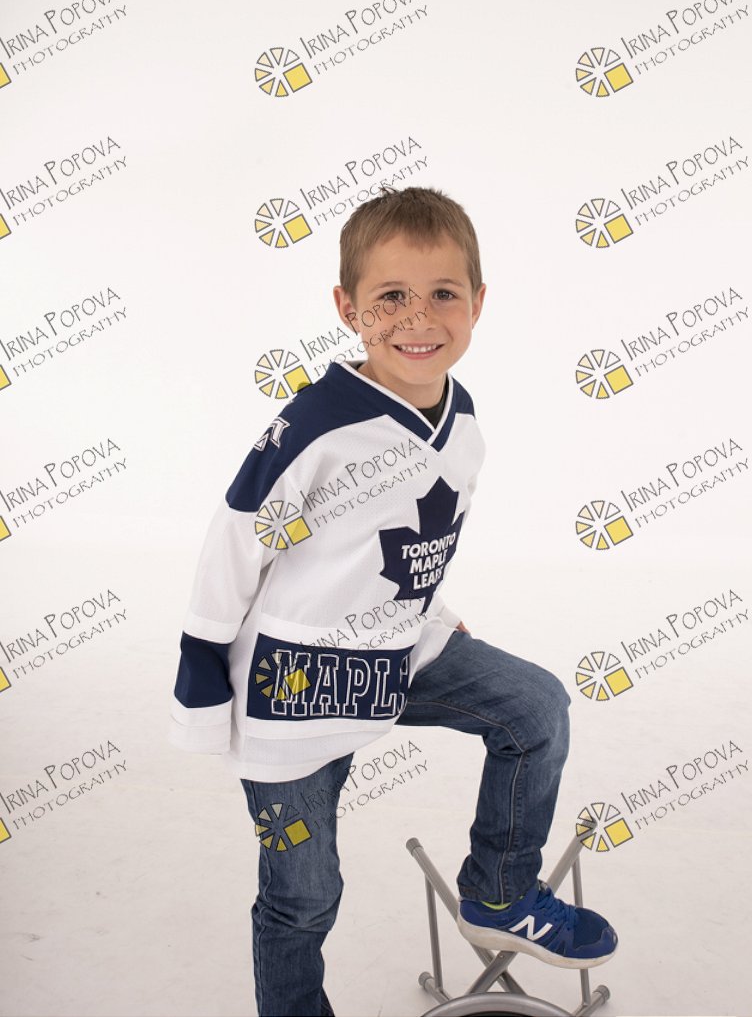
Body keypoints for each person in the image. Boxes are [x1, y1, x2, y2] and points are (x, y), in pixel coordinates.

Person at [167, 185, 617, 1017]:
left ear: (478, 302)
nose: (419, 317)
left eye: (443, 292)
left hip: (395, 653)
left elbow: (406, 545)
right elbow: (235, 539)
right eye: (391, 297)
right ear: (348, 308)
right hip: (292, 691)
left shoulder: (464, 421)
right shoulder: (317, 425)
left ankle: (500, 891)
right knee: (305, 893)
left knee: (535, 707)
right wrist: (200, 664)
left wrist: (432, 616)